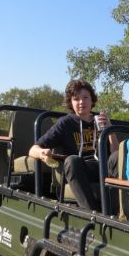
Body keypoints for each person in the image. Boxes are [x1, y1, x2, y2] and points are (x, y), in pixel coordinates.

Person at [29, 79, 118, 211]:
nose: (81, 102)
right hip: (80, 168)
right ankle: (91, 213)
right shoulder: (65, 123)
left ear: (92, 100)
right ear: (71, 102)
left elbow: (115, 151)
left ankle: (121, 211)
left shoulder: (100, 120)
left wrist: (110, 130)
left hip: (101, 167)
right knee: (72, 160)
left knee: (119, 156)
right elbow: (33, 149)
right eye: (76, 99)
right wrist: (41, 153)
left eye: (85, 97)